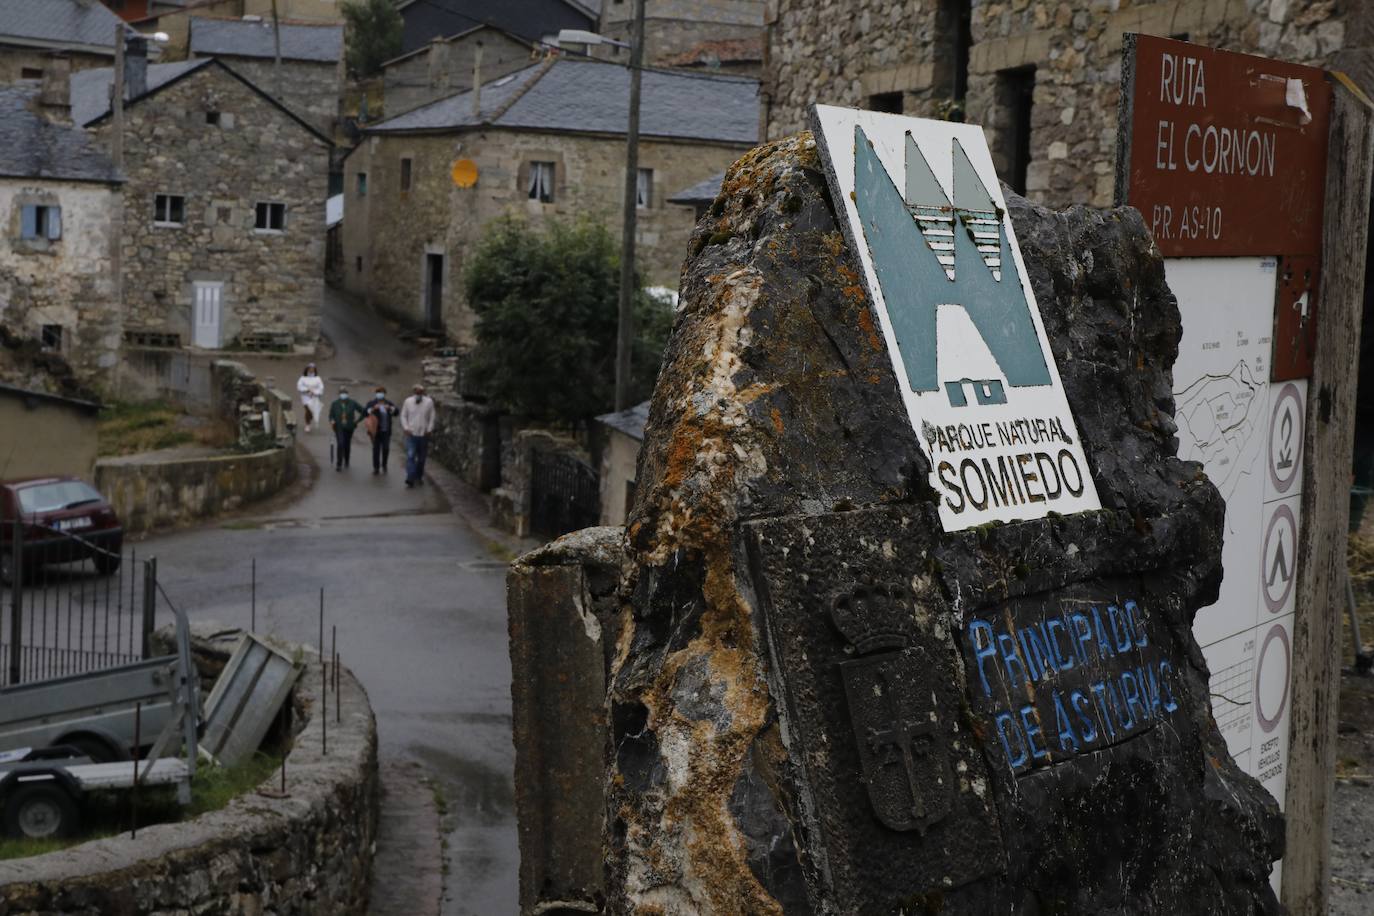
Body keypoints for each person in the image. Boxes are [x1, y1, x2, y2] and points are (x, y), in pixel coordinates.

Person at [401, 383, 435, 488]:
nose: (418, 394)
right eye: (416, 392)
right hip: (411, 434)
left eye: (420, 392)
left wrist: (429, 429)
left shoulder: (429, 402)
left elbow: (432, 417)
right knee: (411, 456)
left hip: (423, 435)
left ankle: (418, 476)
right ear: (413, 392)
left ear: (423, 393)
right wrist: (406, 428)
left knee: (421, 459)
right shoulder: (408, 401)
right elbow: (403, 415)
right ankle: (410, 478)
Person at [328, 386, 366, 471]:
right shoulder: (335, 404)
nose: (343, 395)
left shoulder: (352, 403)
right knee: (340, 443)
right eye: (341, 393)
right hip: (338, 427)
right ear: (339, 394)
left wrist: (357, 421)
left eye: (345, 393)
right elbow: (331, 416)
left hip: (349, 427)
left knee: (347, 444)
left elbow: (364, 411)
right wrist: (332, 421)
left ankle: (347, 459)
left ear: (347, 394)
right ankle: (339, 464)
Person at [366, 386, 399, 475]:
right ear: (376, 394)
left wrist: (391, 408)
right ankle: (376, 467)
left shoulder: (388, 403)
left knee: (386, 448)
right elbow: (365, 412)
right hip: (375, 431)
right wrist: (373, 408)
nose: (380, 394)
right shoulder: (372, 403)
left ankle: (384, 464)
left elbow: (396, 412)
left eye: (381, 393)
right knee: (376, 449)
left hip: (386, 431)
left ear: (384, 394)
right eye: (378, 392)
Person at [296, 363, 324, 433]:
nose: (311, 370)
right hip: (305, 397)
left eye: (313, 368)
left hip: (314, 397)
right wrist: (307, 390)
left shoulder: (318, 378)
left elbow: (321, 387)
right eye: (310, 368)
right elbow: (299, 386)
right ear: (307, 369)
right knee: (308, 409)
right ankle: (307, 424)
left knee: (311, 411)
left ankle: (309, 419)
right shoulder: (303, 378)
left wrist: (315, 392)